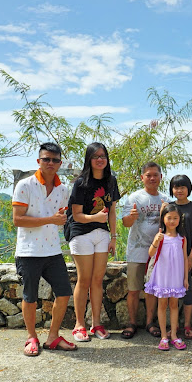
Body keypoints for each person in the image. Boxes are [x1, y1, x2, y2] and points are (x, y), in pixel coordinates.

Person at [12, 142, 76, 356]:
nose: (50, 163)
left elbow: (62, 218)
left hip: (52, 250)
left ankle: (53, 336)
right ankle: (31, 337)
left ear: (60, 163)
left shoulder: (63, 189)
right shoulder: (25, 185)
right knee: (30, 296)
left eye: (55, 160)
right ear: (38, 161)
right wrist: (51, 219)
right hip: (28, 251)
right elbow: (18, 220)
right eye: (46, 159)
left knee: (64, 293)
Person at [65, 142, 120, 342]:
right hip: (81, 233)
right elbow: (76, 215)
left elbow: (112, 211)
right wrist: (95, 218)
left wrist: (114, 237)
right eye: (95, 156)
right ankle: (79, 324)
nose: (100, 159)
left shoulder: (111, 181)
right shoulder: (81, 183)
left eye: (103, 156)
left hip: (102, 234)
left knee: (98, 280)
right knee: (84, 279)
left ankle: (96, 323)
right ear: (89, 159)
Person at [120, 162, 170, 339]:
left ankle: (150, 322)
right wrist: (131, 217)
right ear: (142, 178)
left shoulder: (166, 199)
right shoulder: (134, 198)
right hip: (137, 251)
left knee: (151, 290)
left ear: (161, 177)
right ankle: (132, 322)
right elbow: (125, 223)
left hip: (158, 253)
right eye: (148, 175)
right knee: (133, 289)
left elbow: (172, 223)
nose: (152, 178)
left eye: (155, 175)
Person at [144, 204, 189, 350]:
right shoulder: (160, 237)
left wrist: (185, 279)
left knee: (174, 304)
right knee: (162, 304)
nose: (172, 221)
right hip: (162, 275)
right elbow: (151, 253)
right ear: (163, 219)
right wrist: (156, 241)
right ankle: (164, 336)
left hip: (176, 275)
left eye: (175, 218)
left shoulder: (182, 238)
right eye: (169, 217)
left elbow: (185, 259)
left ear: (179, 220)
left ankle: (174, 334)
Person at [168, 175, 192, 339]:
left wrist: (190, 256)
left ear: (188, 188)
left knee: (186, 289)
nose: (179, 190)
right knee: (169, 291)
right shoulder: (169, 207)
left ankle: (187, 325)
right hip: (169, 257)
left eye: (182, 187)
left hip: (186, 255)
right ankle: (173, 327)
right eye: (175, 187)